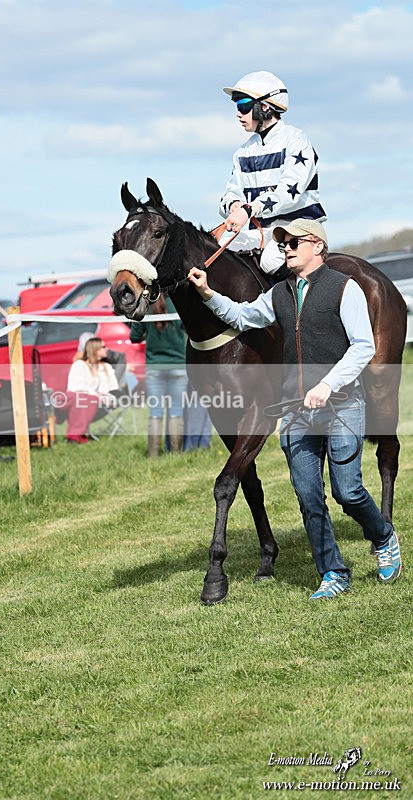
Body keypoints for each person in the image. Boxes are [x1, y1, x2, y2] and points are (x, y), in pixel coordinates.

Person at [187, 219, 402, 599]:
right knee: (307, 497)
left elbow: (363, 347)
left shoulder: (345, 289)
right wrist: (206, 293)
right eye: (282, 241)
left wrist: (327, 384)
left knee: (347, 492)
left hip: (342, 404)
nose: (284, 246)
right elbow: (241, 316)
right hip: (297, 412)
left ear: (317, 246)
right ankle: (333, 572)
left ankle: (383, 536)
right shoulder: (279, 295)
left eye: (292, 241)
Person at [219, 70, 326, 279]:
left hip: (298, 228)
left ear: (265, 107)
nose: (238, 114)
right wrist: (234, 206)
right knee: (219, 248)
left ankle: (299, 308)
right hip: (261, 231)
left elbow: (288, 193)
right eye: (237, 107)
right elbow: (231, 192)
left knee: (270, 259)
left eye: (243, 106)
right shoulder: (243, 151)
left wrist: (249, 209)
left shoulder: (296, 140)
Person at [130, 293, 188, 457]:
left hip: (155, 367)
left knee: (155, 412)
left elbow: (134, 337)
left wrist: (148, 332)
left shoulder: (145, 305)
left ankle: (153, 454)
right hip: (178, 365)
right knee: (176, 411)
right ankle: (176, 454)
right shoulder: (179, 302)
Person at [65, 337, 118, 444]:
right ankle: (75, 435)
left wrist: (108, 398)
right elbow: (76, 388)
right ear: (95, 349)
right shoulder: (79, 365)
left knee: (88, 400)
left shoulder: (107, 367)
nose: (106, 349)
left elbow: (114, 388)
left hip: (98, 403)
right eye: (103, 347)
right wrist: (96, 395)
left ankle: (74, 436)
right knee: (85, 399)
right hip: (76, 399)